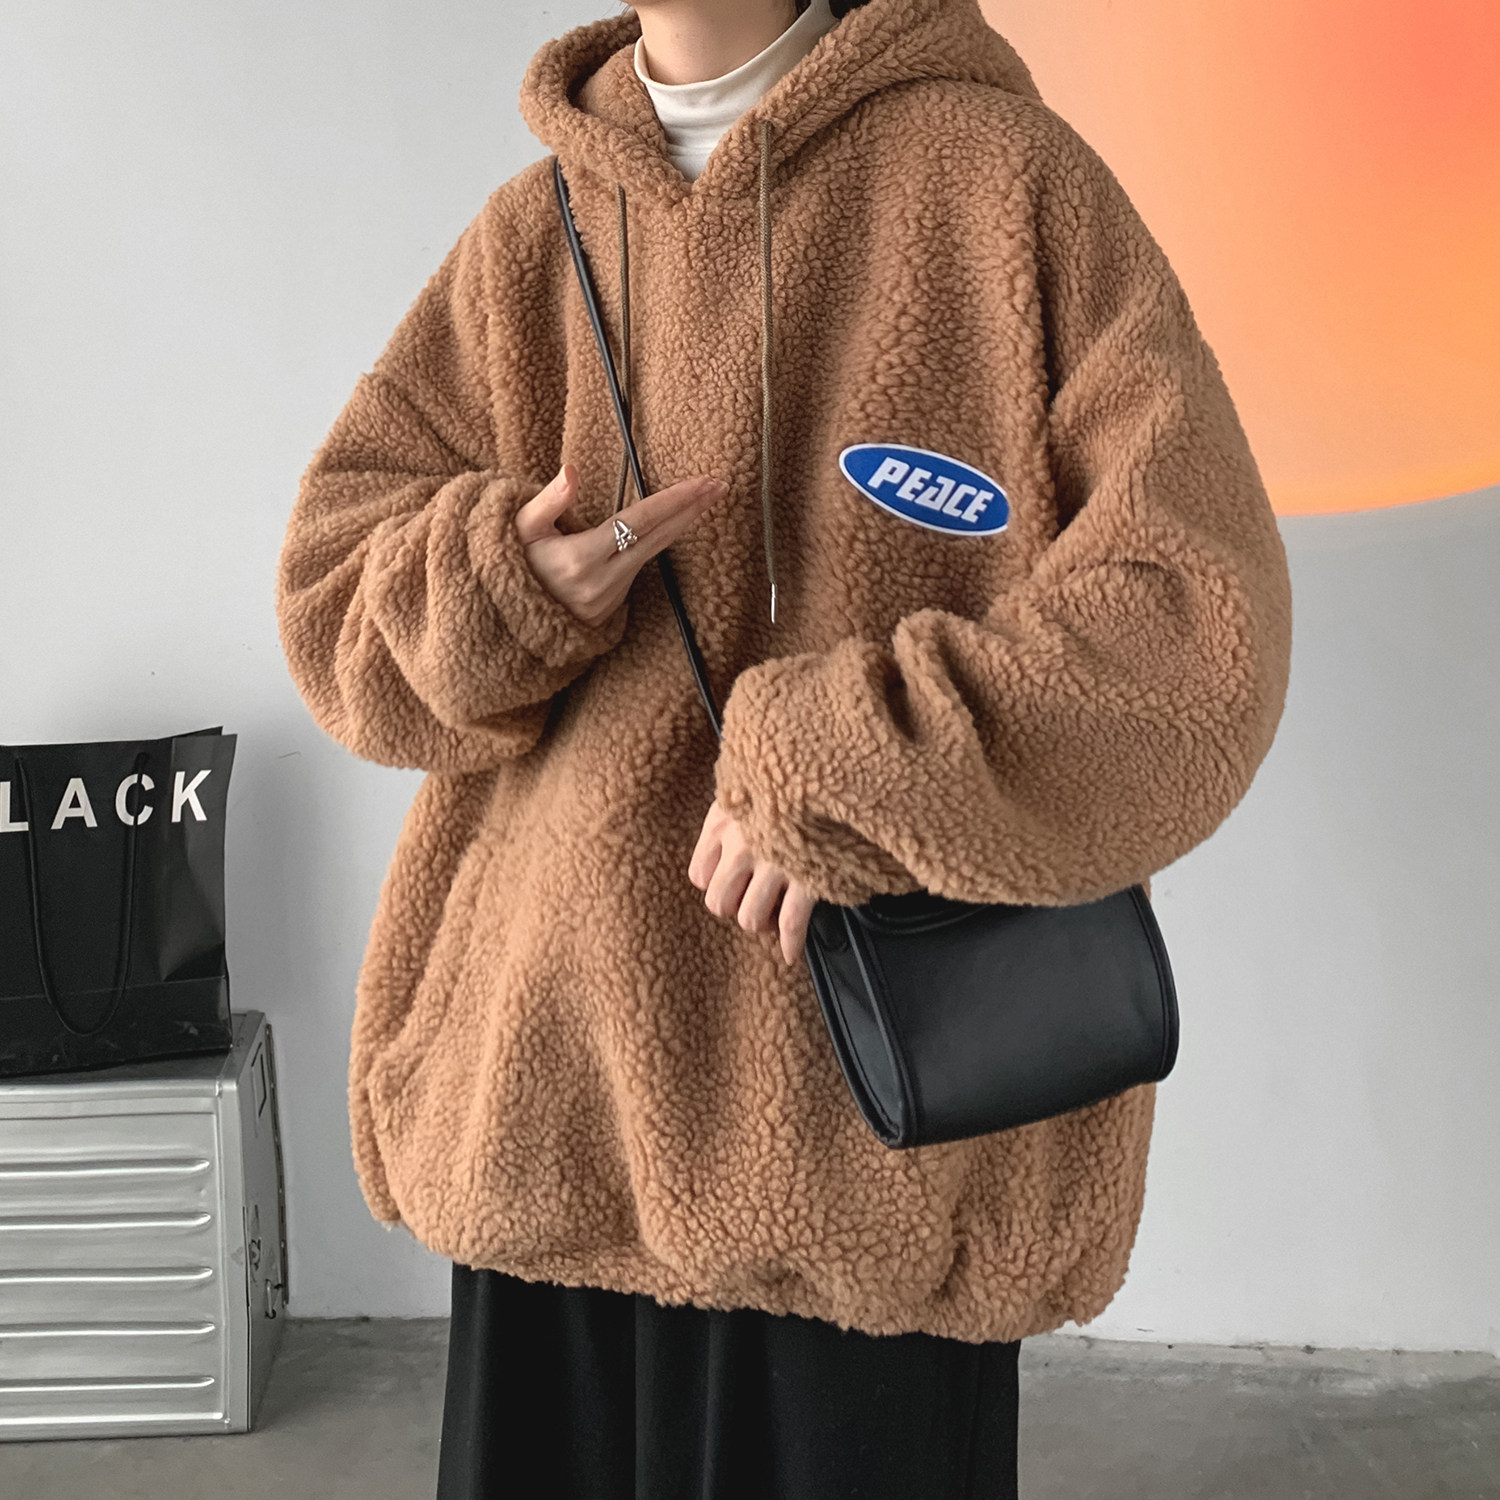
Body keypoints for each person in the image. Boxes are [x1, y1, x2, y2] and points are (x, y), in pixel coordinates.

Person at [274, 0, 1293, 1493]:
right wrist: (497, 587)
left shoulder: (1003, 185)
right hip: (553, 1137)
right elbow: (332, 608)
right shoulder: (532, 236)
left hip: (873, 1157)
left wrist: (845, 766)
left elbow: (1195, 633)